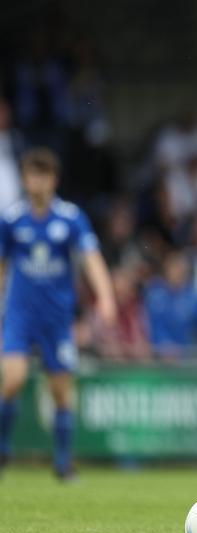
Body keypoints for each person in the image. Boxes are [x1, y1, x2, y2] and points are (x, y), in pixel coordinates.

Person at [0, 148, 116, 480]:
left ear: (54, 179)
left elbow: (91, 258)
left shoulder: (70, 218)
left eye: (42, 175)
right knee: (12, 380)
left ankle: (63, 463)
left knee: (61, 391)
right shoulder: (11, 220)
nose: (36, 181)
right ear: (23, 179)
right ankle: (4, 448)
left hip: (57, 319)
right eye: (30, 175)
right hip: (20, 315)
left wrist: (105, 297)